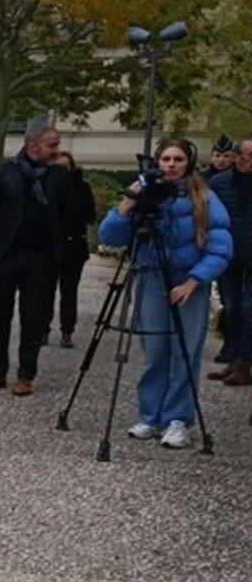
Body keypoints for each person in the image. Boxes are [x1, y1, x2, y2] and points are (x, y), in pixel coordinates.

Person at [99, 138, 232, 449]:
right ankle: (150, 416)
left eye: (178, 159)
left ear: (189, 163)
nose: (171, 165)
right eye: (166, 159)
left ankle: (178, 419)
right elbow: (110, 236)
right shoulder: (146, 194)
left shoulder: (204, 197)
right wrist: (128, 204)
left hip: (187, 282)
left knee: (185, 351)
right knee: (154, 351)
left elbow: (220, 247)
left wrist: (195, 280)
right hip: (149, 277)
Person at [0, 123, 67, 397]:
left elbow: (69, 213)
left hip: (41, 259)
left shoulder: (59, 176)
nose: (56, 150)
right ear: (33, 145)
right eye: (52, 145)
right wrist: (0, 232)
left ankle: (26, 374)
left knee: (33, 318)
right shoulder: (3, 173)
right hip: (5, 255)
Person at [207, 137, 252, 387]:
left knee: (249, 309)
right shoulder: (219, 183)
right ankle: (234, 358)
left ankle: (245, 363)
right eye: (247, 156)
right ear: (237, 157)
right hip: (228, 255)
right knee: (232, 307)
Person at [50, 150, 97, 348]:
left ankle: (67, 330)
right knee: (44, 291)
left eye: (65, 167)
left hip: (73, 247)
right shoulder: (46, 187)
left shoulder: (81, 188)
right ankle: (42, 329)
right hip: (49, 247)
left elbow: (89, 215)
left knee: (69, 292)